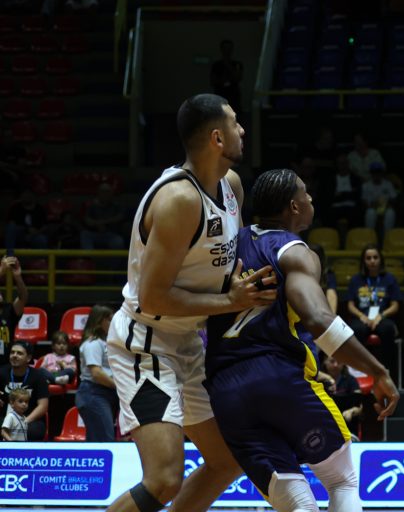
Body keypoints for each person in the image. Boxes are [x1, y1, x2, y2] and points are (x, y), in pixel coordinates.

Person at [104, 93, 275, 512]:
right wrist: (231, 300)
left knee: (227, 459)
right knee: (164, 479)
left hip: (190, 342)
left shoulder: (231, 186)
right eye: (235, 122)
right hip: (146, 343)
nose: (242, 130)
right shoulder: (179, 200)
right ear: (217, 137)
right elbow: (153, 296)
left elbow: (227, 264)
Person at [206, 169, 398, 512]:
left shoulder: (228, 245)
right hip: (279, 377)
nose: (310, 198)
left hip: (225, 390)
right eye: (305, 193)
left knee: (299, 505)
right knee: (341, 481)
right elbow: (319, 319)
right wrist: (378, 371)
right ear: (294, 207)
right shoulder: (293, 251)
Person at [344, 246, 402, 378]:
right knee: (355, 330)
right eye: (368, 258)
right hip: (362, 318)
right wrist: (362, 316)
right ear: (363, 261)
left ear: (381, 260)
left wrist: (381, 316)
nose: (372, 261)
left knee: (387, 329)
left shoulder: (389, 279)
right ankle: (358, 372)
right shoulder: (356, 280)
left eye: (375, 257)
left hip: (382, 318)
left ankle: (386, 372)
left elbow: (395, 305)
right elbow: (350, 305)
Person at [76, 305, 117, 441]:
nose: (113, 323)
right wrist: (119, 386)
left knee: (98, 439)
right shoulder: (92, 343)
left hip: (103, 393)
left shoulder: (104, 342)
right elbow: (97, 373)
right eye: (109, 320)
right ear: (99, 321)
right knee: (104, 439)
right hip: (94, 393)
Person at [0, 342, 49, 440]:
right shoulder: (1, 372)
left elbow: (43, 406)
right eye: (12, 352)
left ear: (28, 358)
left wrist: (23, 422)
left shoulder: (38, 376)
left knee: (33, 430)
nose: (14, 355)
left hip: (29, 419)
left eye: (19, 353)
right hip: (5, 418)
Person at [82, 183, 127, 249]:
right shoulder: (92, 206)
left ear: (111, 193)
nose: (105, 194)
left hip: (111, 234)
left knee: (118, 242)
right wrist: (97, 225)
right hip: (94, 233)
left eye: (107, 191)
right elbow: (87, 220)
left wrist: (102, 223)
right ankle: (88, 256)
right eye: (103, 191)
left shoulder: (117, 206)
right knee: (84, 234)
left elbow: (120, 217)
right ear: (98, 193)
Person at [0, 256, 27, 358]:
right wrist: (1, 271)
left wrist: (17, 277)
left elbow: (23, 297)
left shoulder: (8, 310)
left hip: (6, 362)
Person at [360, 164, 398, 234]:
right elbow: (364, 200)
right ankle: (369, 236)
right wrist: (370, 206)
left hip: (386, 208)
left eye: (378, 172)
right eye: (374, 172)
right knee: (370, 213)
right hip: (372, 208)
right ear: (371, 173)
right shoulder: (366, 185)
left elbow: (394, 198)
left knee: (391, 213)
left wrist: (388, 204)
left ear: (381, 173)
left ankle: (387, 237)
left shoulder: (388, 184)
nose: (376, 174)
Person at [210, 40, 244, 115]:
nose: (227, 51)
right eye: (225, 48)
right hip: (220, 94)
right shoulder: (216, 65)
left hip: (234, 96)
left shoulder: (237, 64)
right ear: (221, 49)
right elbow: (212, 81)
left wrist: (227, 65)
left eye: (229, 48)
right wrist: (222, 80)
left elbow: (238, 78)